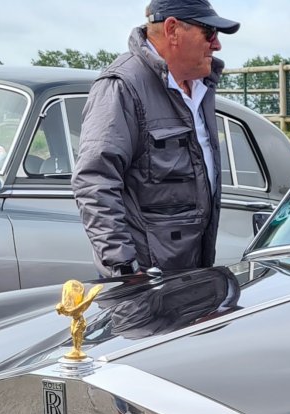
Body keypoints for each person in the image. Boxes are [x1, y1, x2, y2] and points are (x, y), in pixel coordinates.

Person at [73, 0, 238, 278]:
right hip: (144, 284)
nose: (217, 45)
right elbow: (94, 181)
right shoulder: (122, 86)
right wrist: (124, 270)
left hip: (192, 276)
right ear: (173, 29)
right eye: (209, 33)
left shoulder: (201, 88)